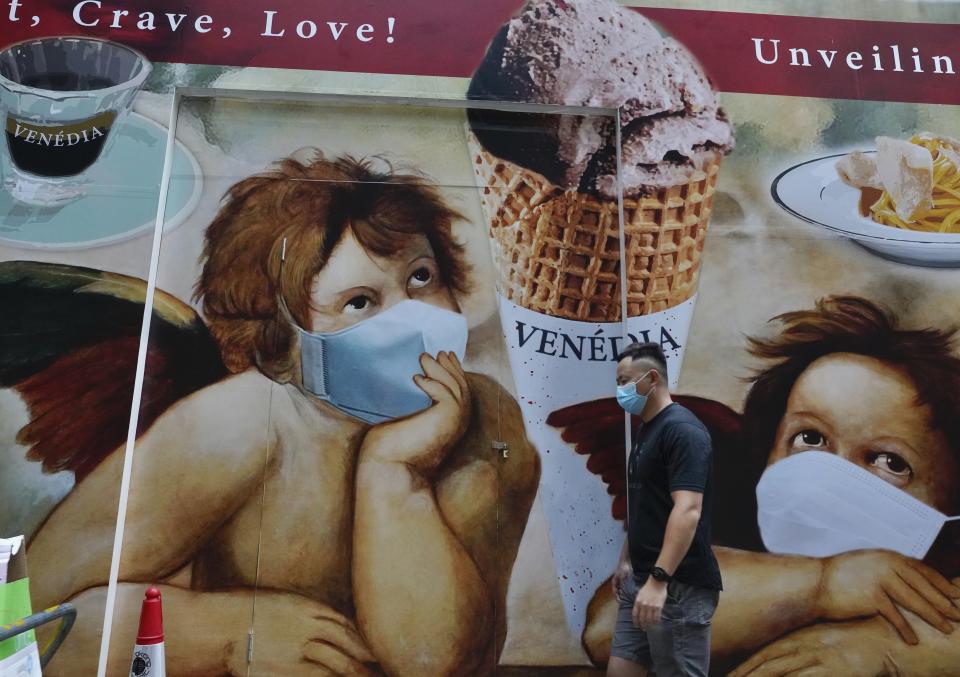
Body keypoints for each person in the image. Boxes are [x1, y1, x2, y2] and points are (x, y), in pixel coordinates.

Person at [24, 153, 540, 676]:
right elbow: (26, 623)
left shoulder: (488, 425)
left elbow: (438, 664)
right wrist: (227, 635)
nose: (412, 318)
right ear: (281, 347)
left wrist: (394, 472)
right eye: (360, 303)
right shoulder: (234, 427)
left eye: (422, 277)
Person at [576, 296, 960, 675]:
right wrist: (822, 585)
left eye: (889, 462)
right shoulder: (739, 542)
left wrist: (881, 650)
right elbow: (609, 627)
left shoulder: (945, 569)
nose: (830, 475)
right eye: (809, 439)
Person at [608, 342, 722, 677]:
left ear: (652, 378)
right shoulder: (648, 430)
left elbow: (688, 510)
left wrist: (659, 581)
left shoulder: (682, 431)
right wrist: (627, 559)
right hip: (640, 581)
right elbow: (644, 503)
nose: (620, 390)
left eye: (625, 380)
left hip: (676, 587)